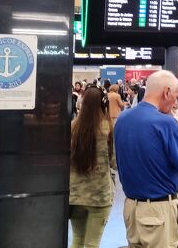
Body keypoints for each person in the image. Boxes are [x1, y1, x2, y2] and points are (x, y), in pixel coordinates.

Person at [114, 70, 178, 248]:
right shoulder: (166, 123)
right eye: (175, 97)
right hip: (158, 211)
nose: (176, 103)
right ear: (166, 92)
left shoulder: (122, 119)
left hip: (131, 208)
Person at [69, 86, 116, 248]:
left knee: (76, 239)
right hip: (99, 196)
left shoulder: (72, 127)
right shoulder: (108, 129)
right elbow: (114, 162)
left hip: (75, 195)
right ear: (103, 104)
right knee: (92, 244)